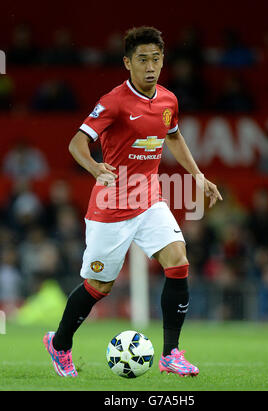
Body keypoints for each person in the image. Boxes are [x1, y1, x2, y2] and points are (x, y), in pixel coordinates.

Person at [43, 26, 222, 378]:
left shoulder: (168, 100)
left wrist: (197, 174)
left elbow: (174, 136)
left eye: (156, 59)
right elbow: (76, 143)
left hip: (150, 200)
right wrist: (95, 167)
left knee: (178, 262)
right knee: (100, 287)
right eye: (142, 60)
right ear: (127, 63)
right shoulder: (114, 102)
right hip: (110, 207)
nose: (150, 66)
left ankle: (171, 354)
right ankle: (60, 343)